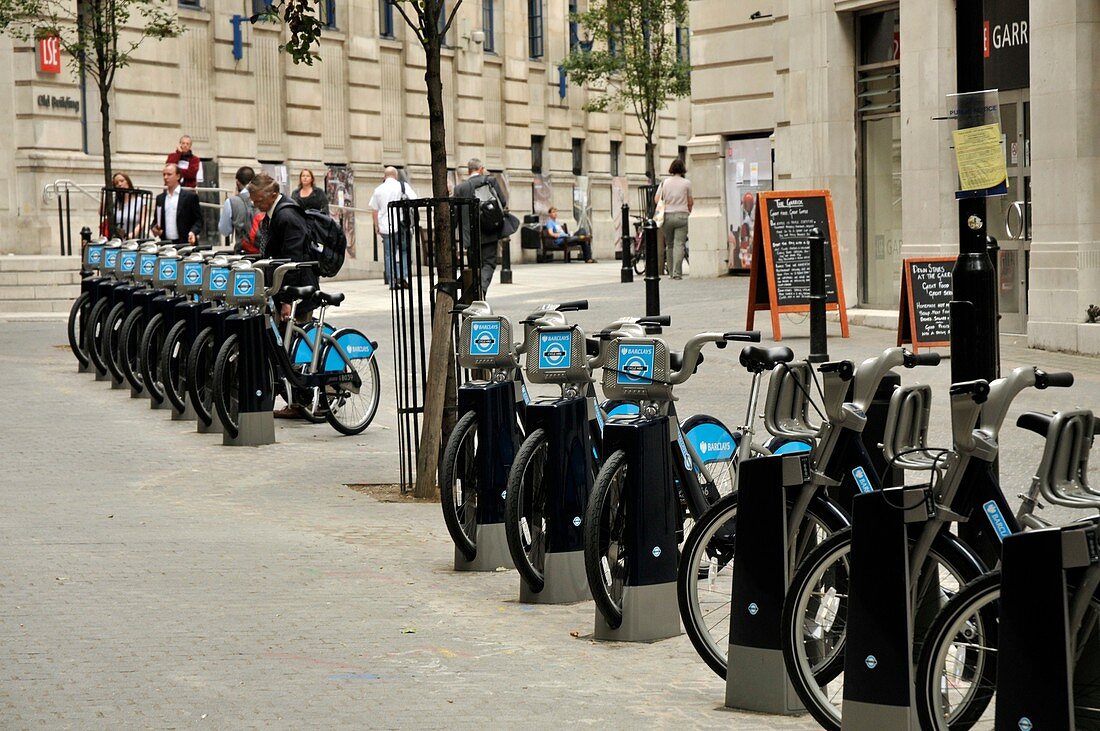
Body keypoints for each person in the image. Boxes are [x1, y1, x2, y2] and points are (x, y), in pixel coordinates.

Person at [247, 172, 320, 419]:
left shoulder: (287, 215)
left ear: (268, 194)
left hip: (298, 289)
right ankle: (298, 401)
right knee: (288, 347)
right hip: (284, 289)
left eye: (255, 196)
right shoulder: (275, 213)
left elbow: (294, 259)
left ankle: (313, 399)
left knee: (299, 346)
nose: (252, 201)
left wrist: (287, 299)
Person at [454, 158, 507, 295]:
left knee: (474, 266)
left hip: (469, 235)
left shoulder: (460, 188)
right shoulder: (490, 181)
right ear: (481, 169)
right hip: (489, 232)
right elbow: (502, 202)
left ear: (468, 170)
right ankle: (481, 290)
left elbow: (455, 213)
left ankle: (475, 295)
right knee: (488, 263)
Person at [368, 166, 417, 289]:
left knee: (389, 254)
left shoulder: (378, 189)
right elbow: (414, 200)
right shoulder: (403, 186)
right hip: (402, 225)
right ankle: (403, 276)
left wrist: (376, 226)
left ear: (385, 176)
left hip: (386, 226)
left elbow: (374, 209)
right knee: (404, 251)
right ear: (396, 175)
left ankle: (392, 280)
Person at [654, 158, 693, 280]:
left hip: (667, 216)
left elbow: (656, 199)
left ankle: (671, 272)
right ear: (683, 169)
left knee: (669, 244)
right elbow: (690, 201)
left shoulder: (664, 182)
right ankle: (677, 273)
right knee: (679, 244)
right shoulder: (687, 183)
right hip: (682, 215)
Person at [151, 163, 202, 245]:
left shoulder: (190, 197)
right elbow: (156, 221)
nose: (165, 177)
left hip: (185, 242)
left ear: (178, 176)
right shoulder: (160, 198)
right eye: (164, 174)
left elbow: (198, 221)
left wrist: (193, 232)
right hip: (166, 243)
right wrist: (154, 229)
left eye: (169, 174)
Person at [218, 166, 256, 250]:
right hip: (263, 251)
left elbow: (225, 230)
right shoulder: (262, 197)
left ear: (237, 182)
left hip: (243, 251)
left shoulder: (231, 201)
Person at [101, 172, 146, 239]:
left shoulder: (139, 201)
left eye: (122, 181)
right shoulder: (114, 201)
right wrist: (107, 196)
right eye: (116, 183)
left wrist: (132, 234)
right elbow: (102, 213)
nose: (119, 184)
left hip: (135, 240)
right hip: (118, 239)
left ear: (128, 182)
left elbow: (142, 221)